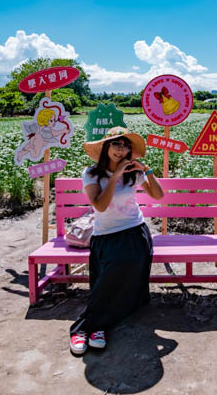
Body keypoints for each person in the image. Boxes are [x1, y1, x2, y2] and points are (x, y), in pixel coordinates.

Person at [69, 126, 164, 355]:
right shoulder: (91, 173)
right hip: (106, 236)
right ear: (106, 148)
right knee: (111, 274)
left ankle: (96, 327)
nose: (121, 150)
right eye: (116, 145)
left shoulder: (135, 173)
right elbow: (100, 206)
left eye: (125, 146)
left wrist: (147, 170)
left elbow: (158, 196)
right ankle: (87, 327)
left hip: (135, 231)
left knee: (125, 269)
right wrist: (115, 177)